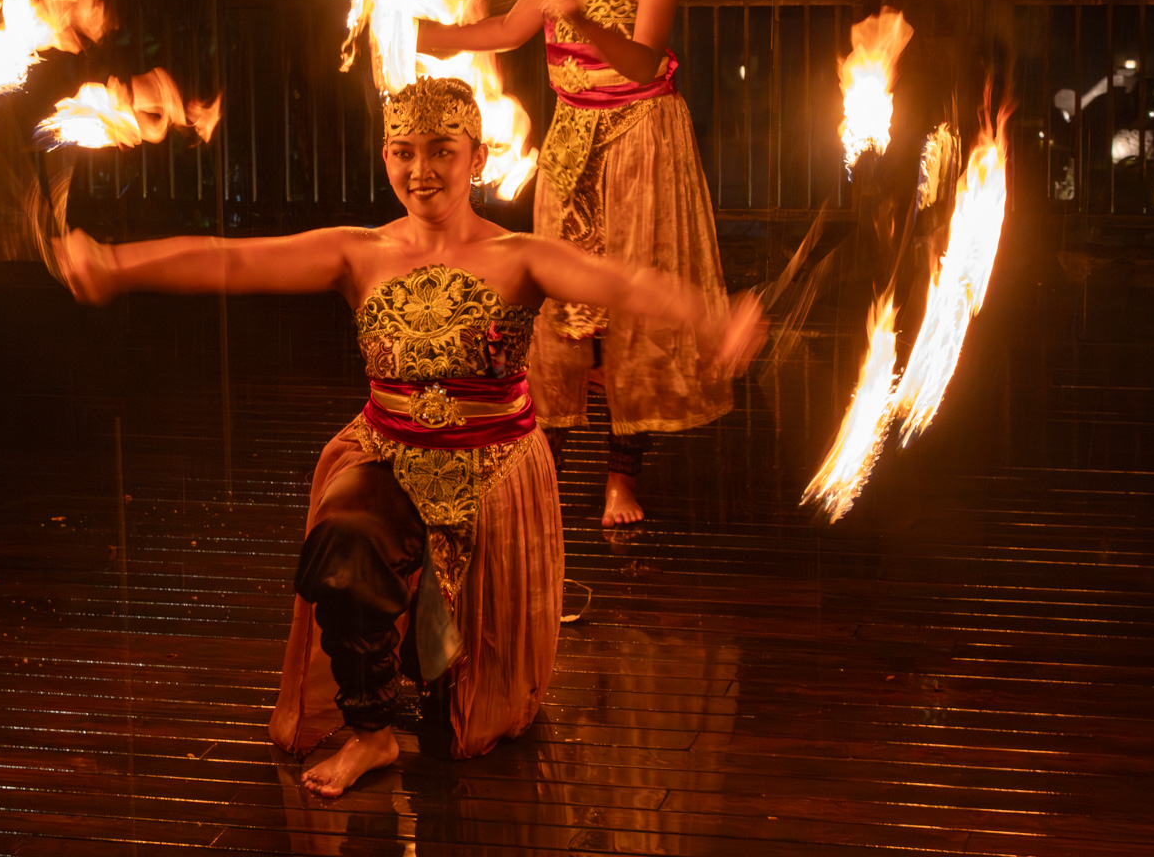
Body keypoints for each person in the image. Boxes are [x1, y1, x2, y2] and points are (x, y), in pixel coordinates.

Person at [56, 76, 757, 797]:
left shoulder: (520, 255)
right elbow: (231, 259)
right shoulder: (359, 252)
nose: (421, 170)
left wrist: (711, 319)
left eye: (441, 150)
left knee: (457, 730)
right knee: (345, 537)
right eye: (403, 151)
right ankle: (372, 733)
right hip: (388, 450)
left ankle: (440, 668)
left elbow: (625, 285)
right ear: (385, 156)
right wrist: (118, 265)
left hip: (494, 466)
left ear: (477, 158)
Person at [419, 0, 732, 526]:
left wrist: (585, 22)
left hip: (640, 138)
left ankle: (622, 480)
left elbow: (644, 63)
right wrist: (426, 36)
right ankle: (544, 471)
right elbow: (509, 29)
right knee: (557, 304)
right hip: (571, 137)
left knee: (631, 307)